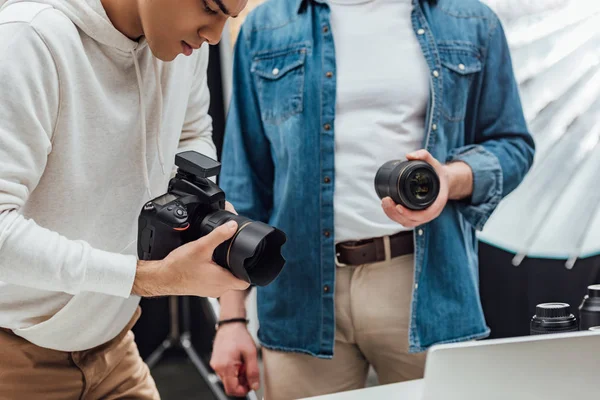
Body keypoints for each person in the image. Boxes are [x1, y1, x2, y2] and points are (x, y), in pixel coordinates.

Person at [210, 0, 535, 398]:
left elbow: (512, 144)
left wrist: (449, 179)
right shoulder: (266, 26)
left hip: (423, 285)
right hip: (299, 289)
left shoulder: (469, 19)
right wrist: (231, 319)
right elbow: (245, 181)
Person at [0, 0, 249, 398]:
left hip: (113, 347)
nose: (215, 35)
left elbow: (190, 135)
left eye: (228, 17)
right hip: (14, 361)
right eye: (209, 7)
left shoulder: (183, 47)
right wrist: (147, 279)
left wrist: (201, 206)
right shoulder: (27, 40)